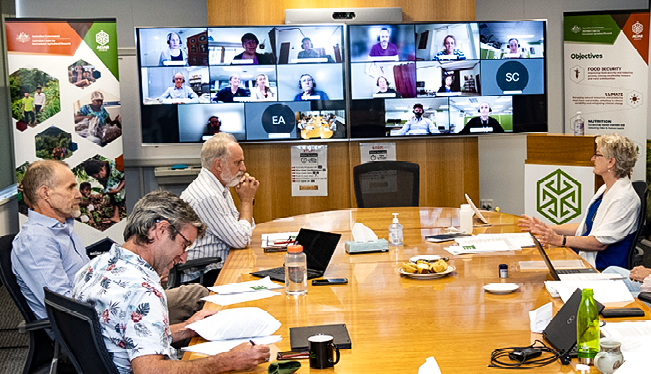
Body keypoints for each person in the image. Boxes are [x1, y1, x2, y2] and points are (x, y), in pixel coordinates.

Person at [73, 190, 270, 373]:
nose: (183, 258)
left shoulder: (93, 267)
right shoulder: (144, 290)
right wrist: (225, 361)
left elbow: (127, 337)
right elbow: (149, 370)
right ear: (161, 230)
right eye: (184, 245)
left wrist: (187, 328)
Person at [11, 161, 208, 327]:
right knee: (195, 297)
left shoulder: (63, 229)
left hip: (104, 310)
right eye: (71, 187)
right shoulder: (36, 241)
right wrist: (127, 292)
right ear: (45, 193)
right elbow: (65, 308)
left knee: (194, 296)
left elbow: (87, 280)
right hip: (87, 331)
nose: (79, 194)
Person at [519, 134, 640, 270]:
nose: (592, 159)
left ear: (611, 162)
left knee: (532, 267)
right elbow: (587, 227)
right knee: (529, 263)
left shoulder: (624, 198)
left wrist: (560, 240)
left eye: (597, 155)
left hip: (601, 267)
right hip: (586, 258)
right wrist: (548, 228)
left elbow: (599, 242)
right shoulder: (606, 188)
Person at [180, 133, 260, 287]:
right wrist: (247, 200)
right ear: (218, 165)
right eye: (238, 162)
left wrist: (246, 204)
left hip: (218, 267)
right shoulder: (208, 195)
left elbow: (246, 229)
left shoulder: (219, 187)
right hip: (203, 276)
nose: (243, 168)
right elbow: (241, 239)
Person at [83, 159, 125, 224]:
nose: (98, 178)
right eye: (95, 177)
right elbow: (107, 187)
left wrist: (117, 190)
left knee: (115, 194)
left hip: (126, 184)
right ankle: (116, 217)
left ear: (102, 168)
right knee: (112, 193)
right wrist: (101, 194)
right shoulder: (102, 177)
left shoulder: (115, 168)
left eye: (98, 175)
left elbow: (125, 178)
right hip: (116, 187)